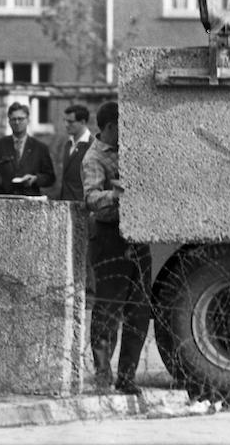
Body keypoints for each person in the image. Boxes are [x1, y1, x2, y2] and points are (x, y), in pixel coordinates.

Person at [82, 101, 152, 395]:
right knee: (108, 309)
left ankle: (127, 377)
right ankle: (102, 375)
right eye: (122, 125)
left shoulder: (130, 149)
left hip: (136, 235)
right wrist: (116, 194)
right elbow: (91, 198)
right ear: (110, 126)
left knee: (139, 310)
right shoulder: (94, 157)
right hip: (110, 237)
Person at [0, 102, 55, 196]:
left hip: (30, 199)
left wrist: (36, 179)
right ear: (9, 122)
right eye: (13, 119)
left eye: (20, 119)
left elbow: (50, 177)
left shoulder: (40, 148)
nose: (17, 122)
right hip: (5, 198)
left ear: (28, 120)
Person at [58, 104, 94, 201]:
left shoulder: (92, 146)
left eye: (70, 122)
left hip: (82, 203)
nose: (66, 125)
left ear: (82, 122)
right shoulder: (68, 143)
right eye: (65, 121)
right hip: (65, 202)